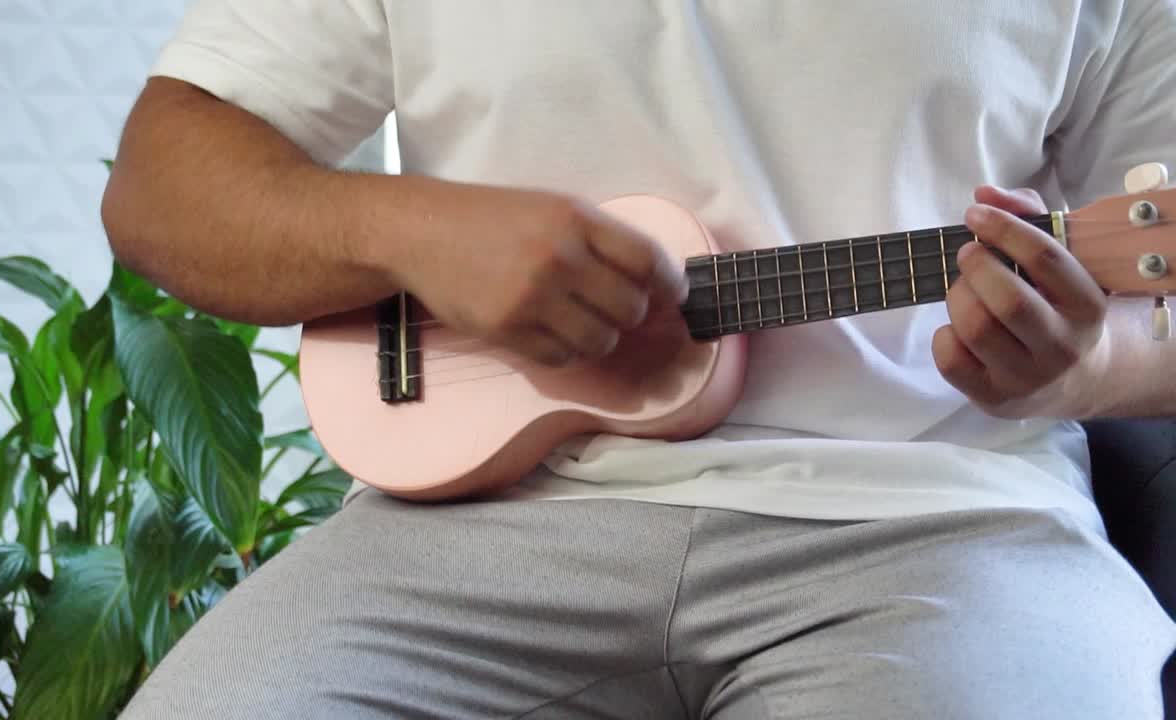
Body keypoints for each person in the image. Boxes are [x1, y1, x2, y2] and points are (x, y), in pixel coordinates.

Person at [104, 2, 1176, 717]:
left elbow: (1156, 298)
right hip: (477, 524)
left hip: (942, 529)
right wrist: (415, 230)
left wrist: (1077, 367)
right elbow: (160, 189)